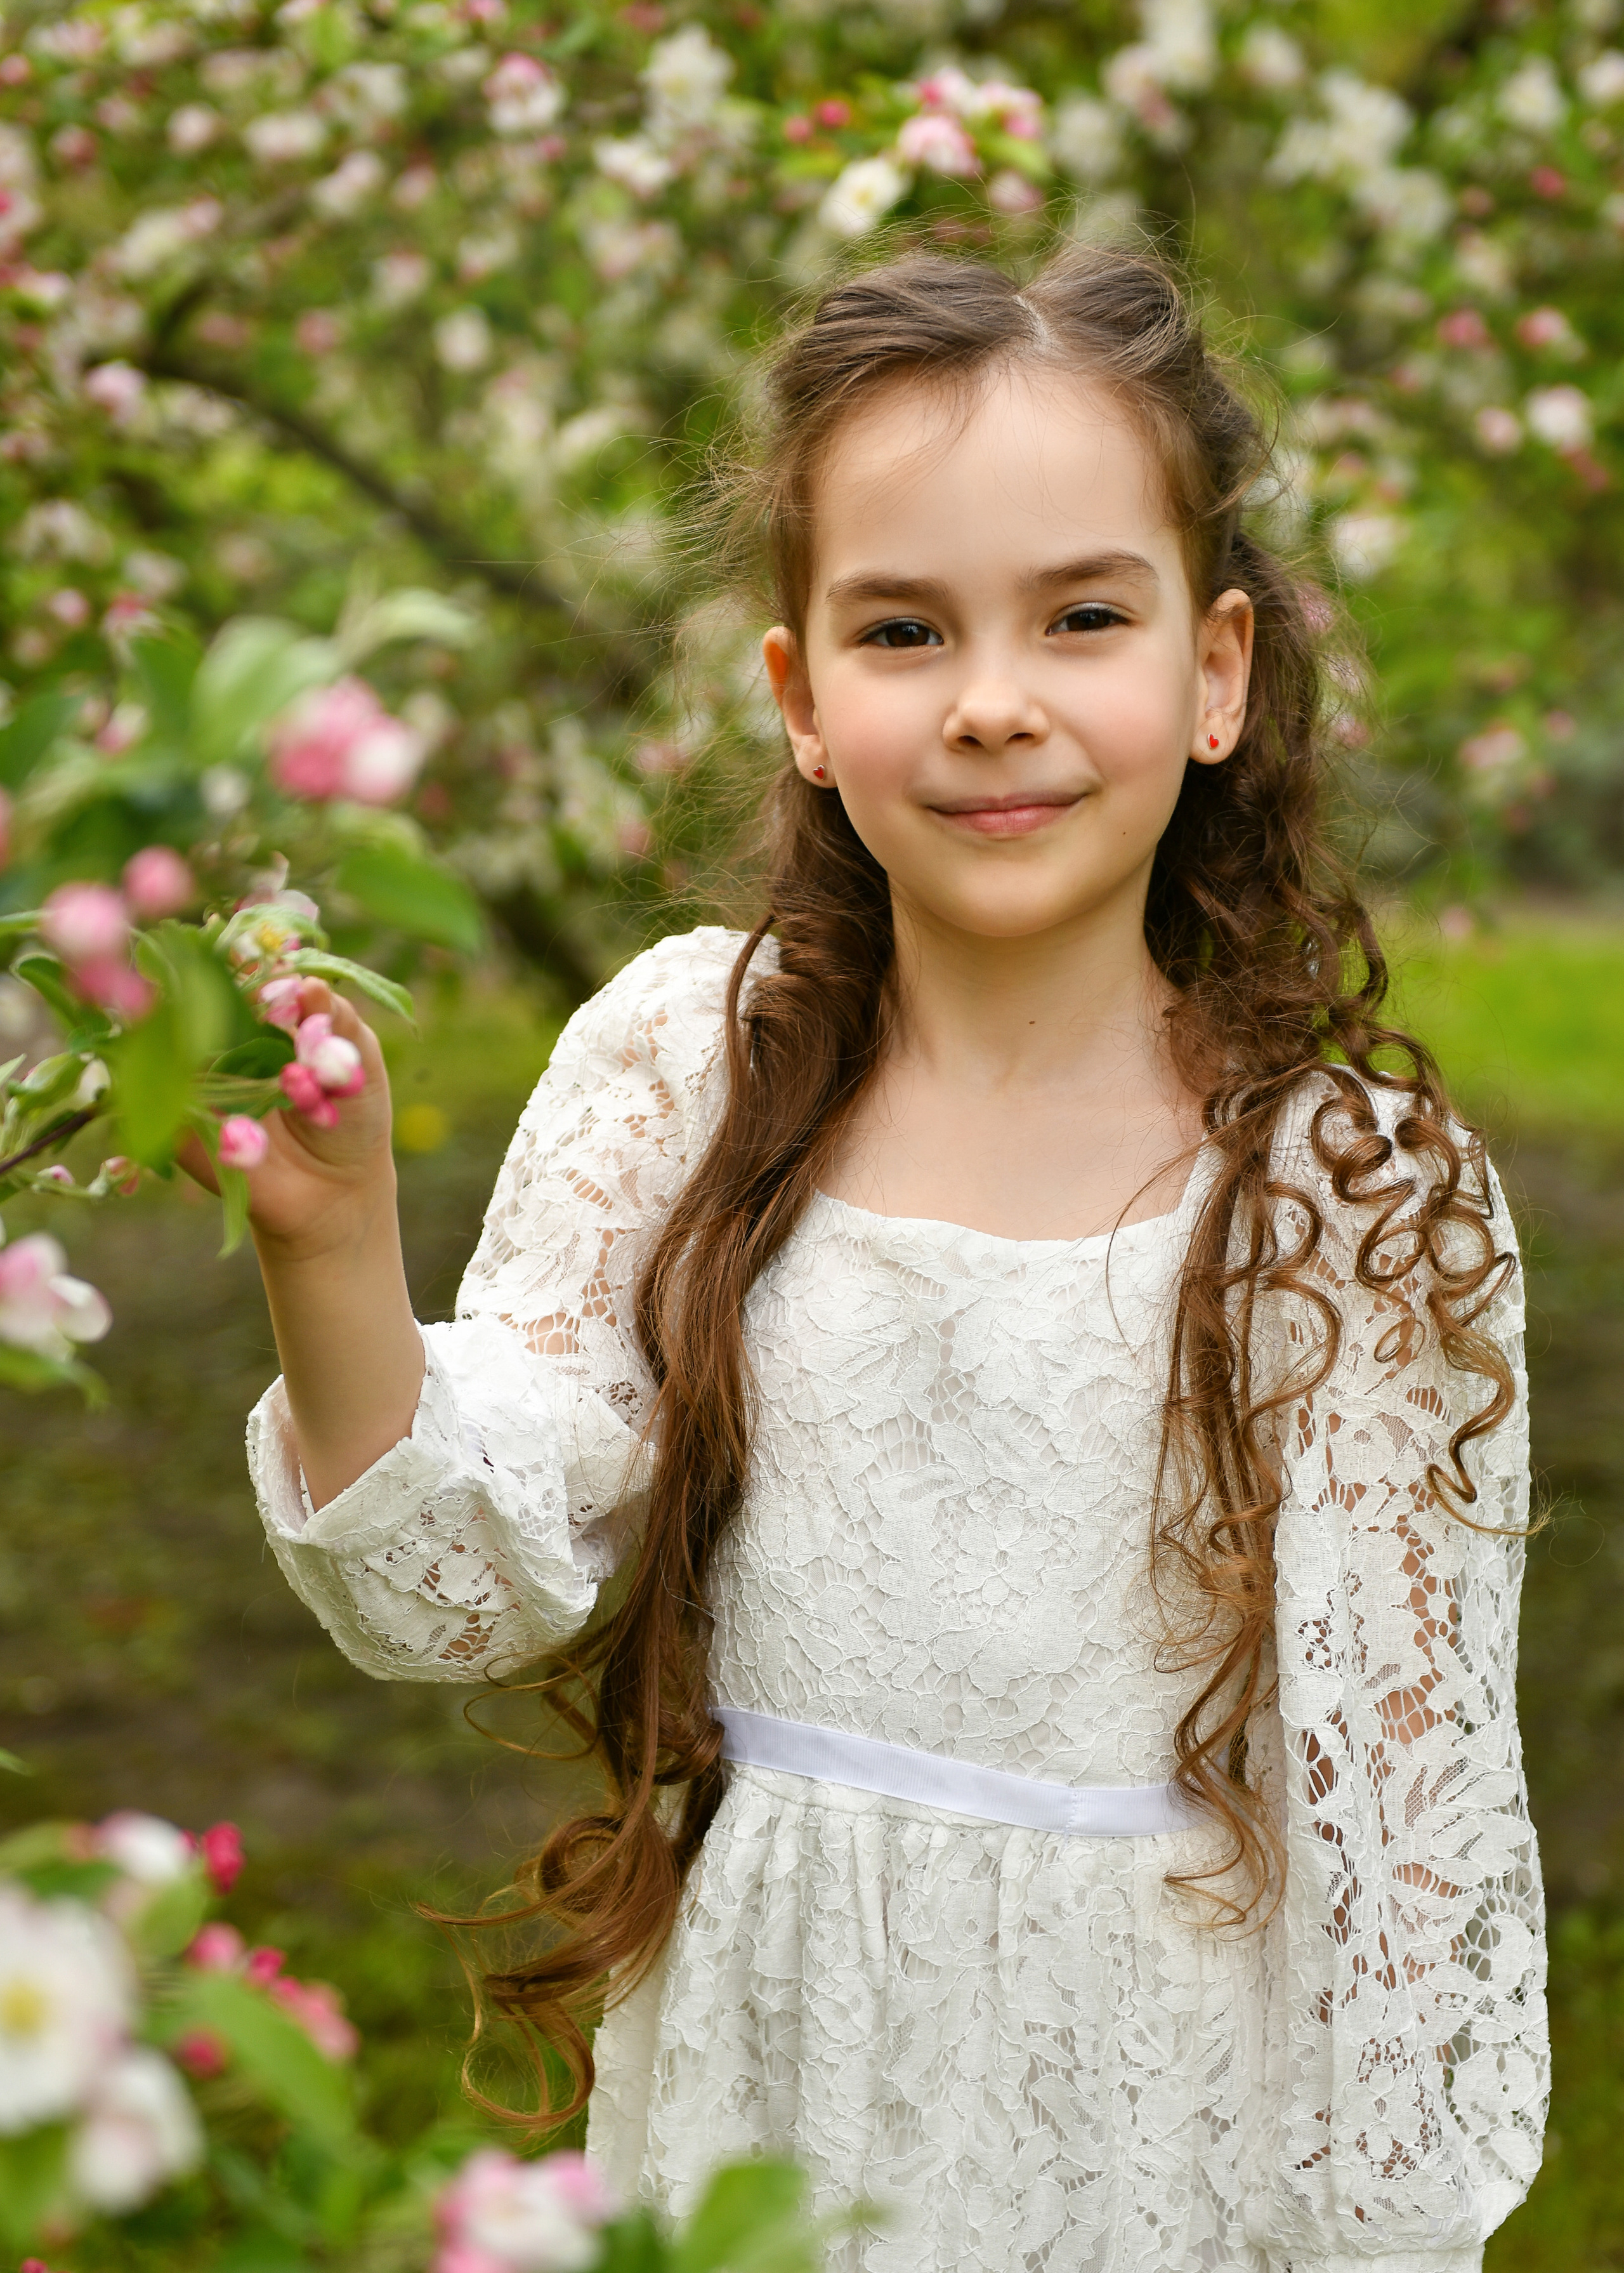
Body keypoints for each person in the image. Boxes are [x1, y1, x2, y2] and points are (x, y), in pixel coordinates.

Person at [233, 247, 1547, 2270]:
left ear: (1215, 673)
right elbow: (462, 1588)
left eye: (1082, 616)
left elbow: (1403, 1837)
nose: (995, 700)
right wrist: (329, 1251)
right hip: (773, 2076)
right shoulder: (693, 1069)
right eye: (906, 629)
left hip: (1150, 2124)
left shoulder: (1349, 1194)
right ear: (803, 701)